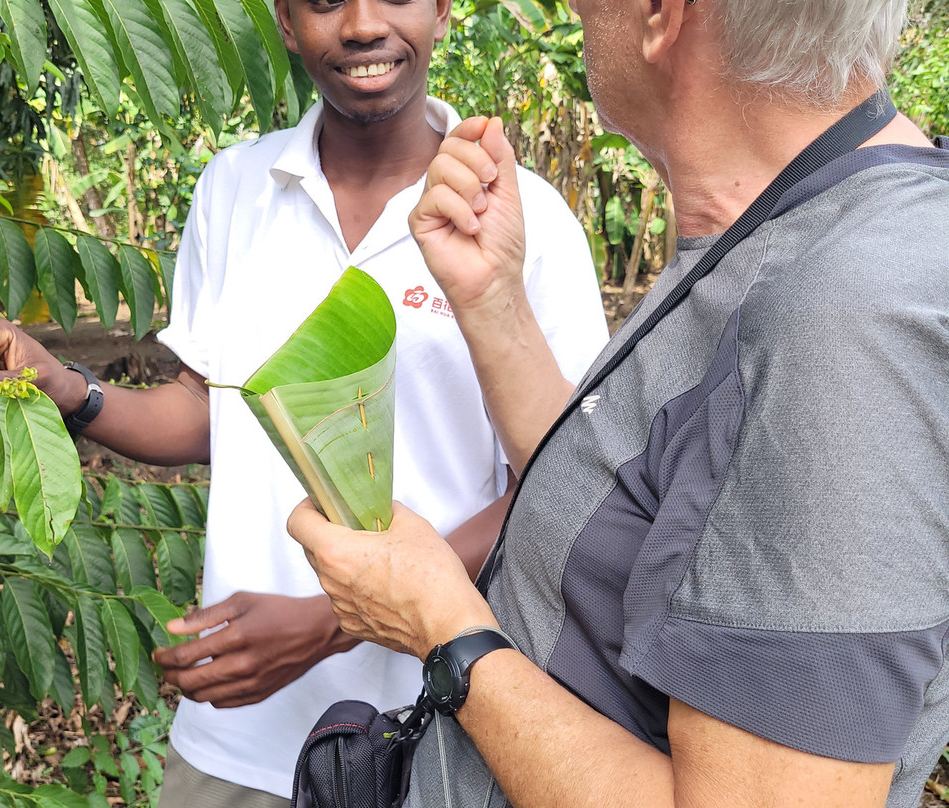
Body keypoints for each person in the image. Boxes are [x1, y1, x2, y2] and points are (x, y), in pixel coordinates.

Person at [0, 0, 610, 803]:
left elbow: (558, 483)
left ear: (442, 11)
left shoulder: (522, 217)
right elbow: (204, 409)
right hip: (238, 741)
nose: (362, 24)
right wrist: (68, 388)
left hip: (440, 736)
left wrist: (331, 620)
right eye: (326, 1)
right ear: (287, 24)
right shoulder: (236, 186)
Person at [285, 0, 949, 806]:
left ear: (664, 15)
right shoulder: (782, 226)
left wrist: (444, 628)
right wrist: (492, 300)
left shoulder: (845, 319)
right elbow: (627, 513)